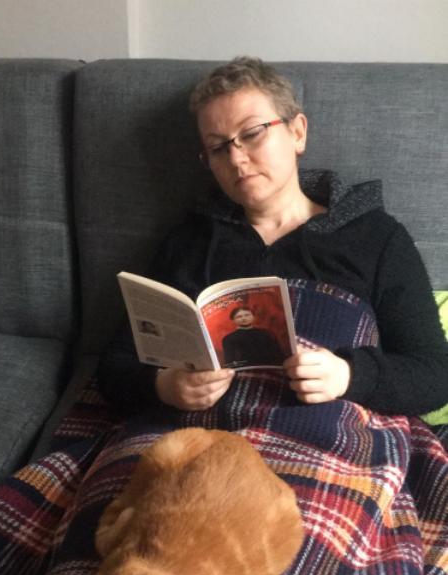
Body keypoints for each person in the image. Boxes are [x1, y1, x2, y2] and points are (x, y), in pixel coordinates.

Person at [98, 56, 448, 415]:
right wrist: (164, 386)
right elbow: (113, 366)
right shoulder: (189, 242)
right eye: (217, 148)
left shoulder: (375, 237)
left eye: (252, 133)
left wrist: (349, 375)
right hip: (198, 433)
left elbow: (436, 374)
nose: (236, 159)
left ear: (297, 132)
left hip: (322, 430)